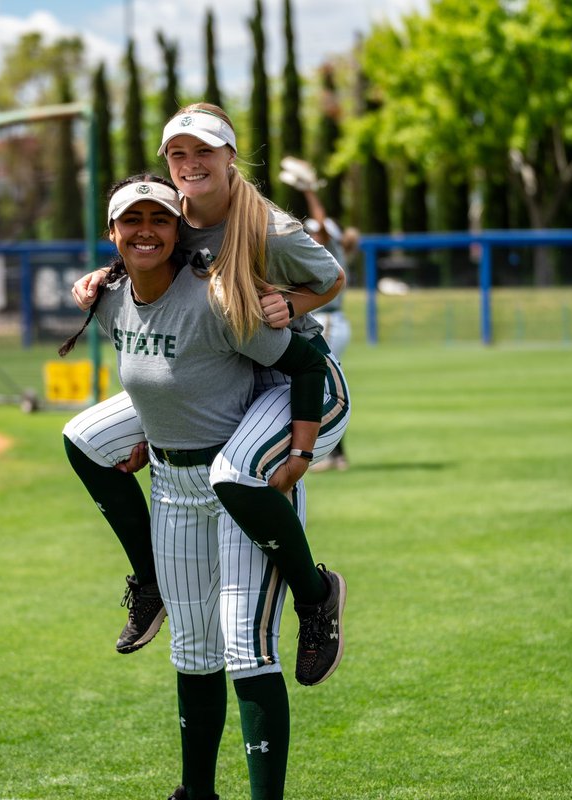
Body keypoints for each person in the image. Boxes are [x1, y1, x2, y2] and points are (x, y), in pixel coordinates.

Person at [64, 175, 335, 800]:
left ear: (177, 229)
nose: (145, 231)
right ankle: (196, 794)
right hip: (171, 488)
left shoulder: (216, 299)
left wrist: (298, 452)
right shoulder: (106, 299)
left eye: (159, 219)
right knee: (191, 649)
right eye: (131, 221)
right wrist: (150, 431)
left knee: (247, 648)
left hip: (237, 486)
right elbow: (162, 377)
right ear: (112, 235)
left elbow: (302, 363)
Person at [279, 156, 357, 471]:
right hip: (324, 321)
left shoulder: (328, 248)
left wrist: (310, 191)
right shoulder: (312, 253)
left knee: (319, 386)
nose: (311, 235)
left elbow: (322, 224)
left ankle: (329, 453)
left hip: (328, 321)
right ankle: (334, 454)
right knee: (314, 386)